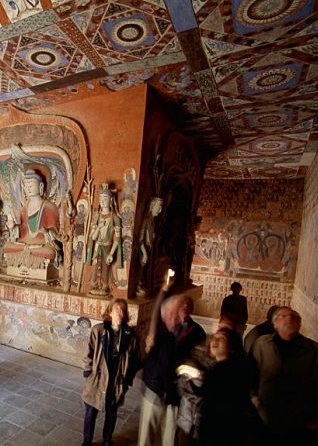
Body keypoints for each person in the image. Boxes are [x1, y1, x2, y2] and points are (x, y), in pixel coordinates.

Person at [248, 307, 318, 445]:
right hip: (264, 422)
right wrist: (254, 402)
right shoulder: (261, 346)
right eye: (283, 316)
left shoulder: (317, 354)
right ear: (275, 324)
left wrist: (316, 420)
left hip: (298, 429)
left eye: (294, 316)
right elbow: (249, 377)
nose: (289, 318)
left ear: (299, 324)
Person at [139, 270, 206, 446]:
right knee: (147, 433)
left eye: (184, 307)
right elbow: (156, 310)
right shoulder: (162, 329)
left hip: (176, 391)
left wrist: (190, 372)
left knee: (170, 436)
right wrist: (164, 288)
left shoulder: (196, 332)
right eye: (173, 311)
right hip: (154, 385)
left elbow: (199, 360)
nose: (173, 315)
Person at [177, 327, 252, 445]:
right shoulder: (217, 368)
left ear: (232, 347)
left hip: (220, 431)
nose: (215, 341)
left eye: (221, 338)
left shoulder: (232, 371)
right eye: (214, 338)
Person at [81, 298, 140, 446]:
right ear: (110, 312)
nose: (120, 313)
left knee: (111, 412)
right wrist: (88, 372)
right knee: (91, 412)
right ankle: (87, 441)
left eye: (123, 310)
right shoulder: (98, 330)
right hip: (98, 378)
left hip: (116, 378)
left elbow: (134, 361)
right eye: (117, 310)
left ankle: (107, 440)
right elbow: (88, 352)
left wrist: (127, 380)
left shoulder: (130, 336)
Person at [4, 169, 61, 268]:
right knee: (7, 246)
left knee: (50, 252)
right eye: (26, 186)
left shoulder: (49, 207)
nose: (28, 188)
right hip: (25, 242)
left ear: (41, 186)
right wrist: (13, 227)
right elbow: (23, 228)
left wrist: (47, 232)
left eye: (31, 185)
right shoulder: (25, 208)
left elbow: (55, 230)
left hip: (42, 243)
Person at [87, 184, 122, 296]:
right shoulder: (97, 216)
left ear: (111, 200)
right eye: (101, 198)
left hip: (108, 246)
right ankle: (95, 284)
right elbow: (93, 237)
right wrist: (98, 227)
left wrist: (111, 253)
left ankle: (105, 286)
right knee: (97, 266)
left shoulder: (114, 218)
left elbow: (117, 238)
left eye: (105, 198)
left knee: (106, 268)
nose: (102, 201)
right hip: (98, 247)